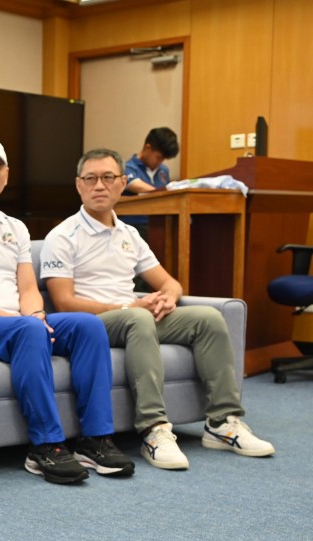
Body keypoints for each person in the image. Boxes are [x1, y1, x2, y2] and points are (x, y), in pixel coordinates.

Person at [40, 148, 275, 470]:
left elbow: (169, 282)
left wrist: (168, 296)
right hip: (91, 323)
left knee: (208, 318)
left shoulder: (129, 234)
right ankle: (154, 429)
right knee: (138, 317)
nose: (99, 186)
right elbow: (64, 301)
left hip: (134, 316)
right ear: (78, 185)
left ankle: (222, 422)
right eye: (90, 178)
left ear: (122, 183)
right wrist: (129, 305)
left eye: (108, 178)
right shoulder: (63, 235)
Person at [0, 139, 134, 484]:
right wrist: (20, 322)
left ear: (6, 176)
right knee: (30, 330)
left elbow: (28, 288)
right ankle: (45, 445)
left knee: (87, 326)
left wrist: (34, 314)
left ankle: (95, 438)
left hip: (20, 325)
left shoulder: (15, 227)